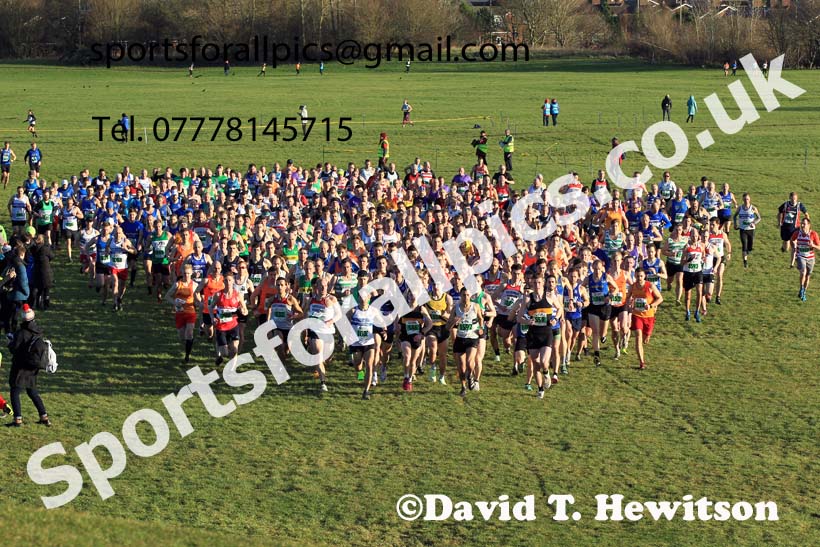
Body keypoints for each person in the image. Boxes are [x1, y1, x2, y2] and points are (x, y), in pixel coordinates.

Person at [6, 304, 50, 427]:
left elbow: (14, 349)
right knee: (32, 391)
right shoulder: (38, 330)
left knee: (15, 391)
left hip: (20, 367)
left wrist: (9, 343)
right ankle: (44, 417)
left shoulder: (21, 333)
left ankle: (17, 419)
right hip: (33, 367)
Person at [626, 268, 662, 370]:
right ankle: (641, 362)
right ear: (635, 276)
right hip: (637, 315)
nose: (639, 278)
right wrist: (629, 304)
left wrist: (651, 306)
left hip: (649, 316)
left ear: (644, 276)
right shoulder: (632, 287)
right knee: (638, 336)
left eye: (641, 276)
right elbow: (627, 298)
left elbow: (660, 298)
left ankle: (647, 336)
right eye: (637, 276)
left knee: (645, 340)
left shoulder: (650, 286)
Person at [210, 270, 247, 365]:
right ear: (223, 282)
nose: (228, 282)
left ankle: (231, 370)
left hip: (233, 325)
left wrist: (243, 311)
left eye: (230, 280)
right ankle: (220, 353)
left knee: (234, 349)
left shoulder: (238, 295)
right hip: (221, 327)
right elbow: (210, 307)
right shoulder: (218, 294)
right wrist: (212, 317)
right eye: (226, 280)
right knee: (225, 353)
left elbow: (245, 310)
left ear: (233, 281)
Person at [165, 263, 199, 363]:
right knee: (182, 336)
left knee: (189, 332)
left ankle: (187, 356)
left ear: (191, 273)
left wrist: (199, 303)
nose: (186, 275)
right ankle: (188, 345)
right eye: (185, 273)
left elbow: (198, 299)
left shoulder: (195, 285)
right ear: (182, 273)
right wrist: (175, 302)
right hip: (179, 312)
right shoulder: (177, 284)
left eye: (188, 273)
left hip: (190, 312)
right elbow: (167, 296)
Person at [789, 218, 820, 301]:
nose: (802, 225)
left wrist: (813, 245)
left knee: (808, 276)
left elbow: (819, 247)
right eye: (801, 224)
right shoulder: (797, 233)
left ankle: (804, 292)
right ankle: (801, 288)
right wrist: (793, 246)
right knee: (803, 272)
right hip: (800, 256)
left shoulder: (813, 234)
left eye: (804, 224)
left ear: (809, 225)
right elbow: (792, 240)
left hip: (810, 258)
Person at [733, 193, 761, 268]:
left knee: (750, 246)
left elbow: (759, 218)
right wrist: (735, 224)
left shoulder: (753, 208)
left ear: (750, 199)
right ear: (743, 199)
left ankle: (748, 250)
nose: (746, 201)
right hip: (742, 229)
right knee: (744, 245)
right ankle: (745, 262)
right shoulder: (740, 208)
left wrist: (753, 223)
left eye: (747, 199)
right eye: (745, 199)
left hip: (751, 229)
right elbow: (735, 216)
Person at [29, 234, 53, 310]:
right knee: (46, 290)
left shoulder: (33, 249)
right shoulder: (45, 249)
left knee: (39, 289)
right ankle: (46, 305)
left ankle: (38, 304)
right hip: (46, 271)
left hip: (37, 270)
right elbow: (52, 256)